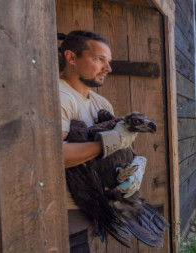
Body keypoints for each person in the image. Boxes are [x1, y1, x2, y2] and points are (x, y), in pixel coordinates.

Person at [59, 30, 140, 252]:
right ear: (72, 57)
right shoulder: (58, 96)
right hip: (68, 213)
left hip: (98, 206)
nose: (108, 68)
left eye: (109, 61)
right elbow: (55, 157)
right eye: (99, 59)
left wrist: (137, 167)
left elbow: (122, 150)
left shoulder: (101, 103)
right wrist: (107, 143)